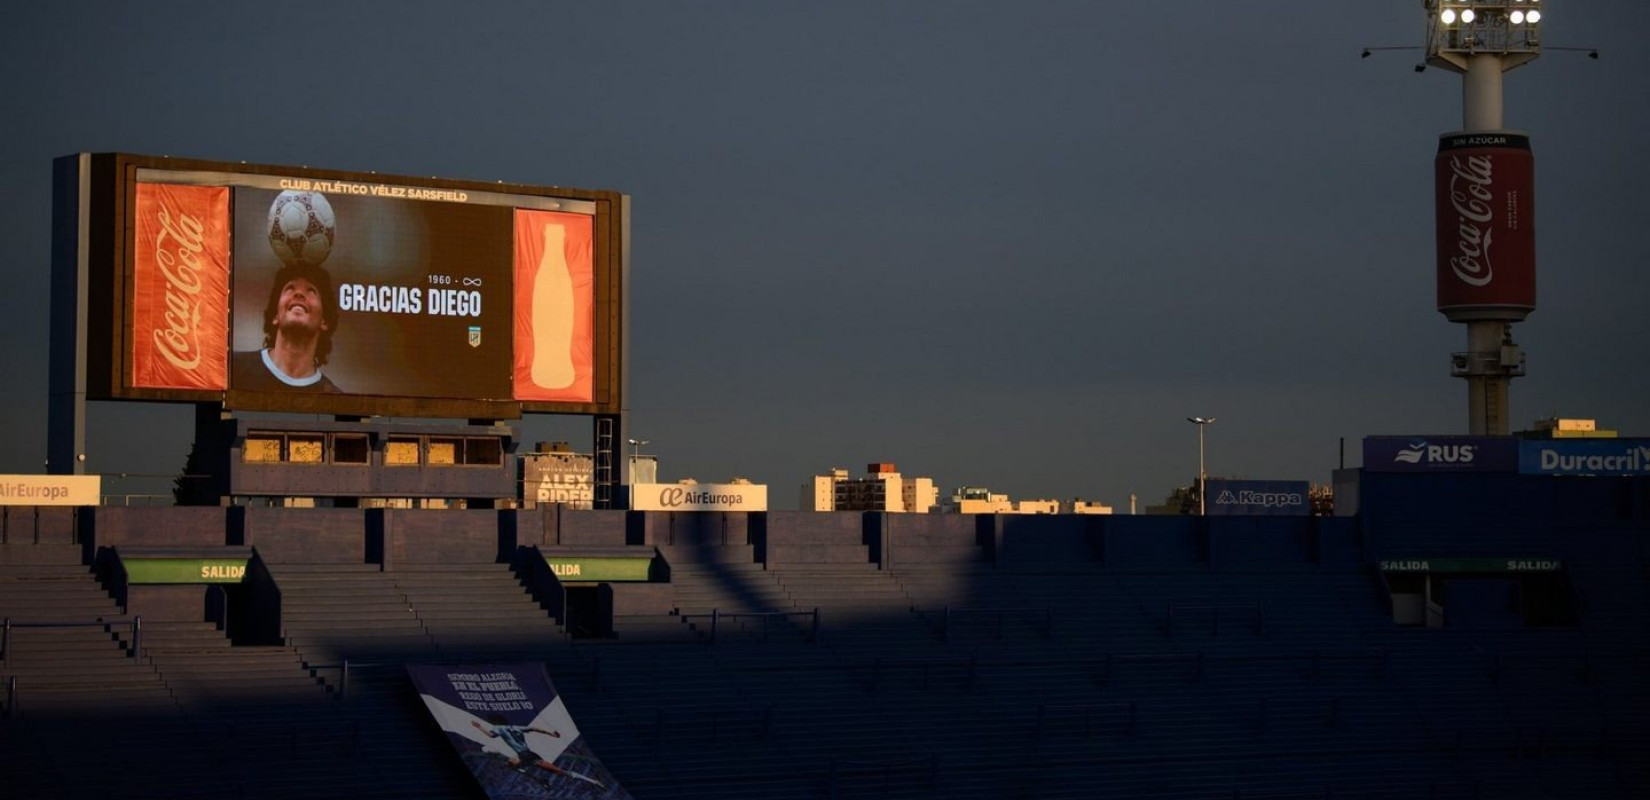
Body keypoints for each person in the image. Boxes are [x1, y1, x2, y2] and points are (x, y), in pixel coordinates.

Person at [231, 263, 342, 392]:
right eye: (290, 288)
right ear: (275, 316)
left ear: (324, 322)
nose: (299, 293)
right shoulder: (233, 369)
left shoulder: (334, 397)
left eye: (311, 290)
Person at [471, 715, 604, 788]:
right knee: (511, 764)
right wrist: (551, 734)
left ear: (495, 721)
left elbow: (490, 735)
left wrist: (479, 726)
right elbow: (533, 728)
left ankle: (593, 781)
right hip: (523, 755)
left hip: (528, 755)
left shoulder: (498, 728)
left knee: (558, 771)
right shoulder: (515, 727)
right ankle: (541, 780)